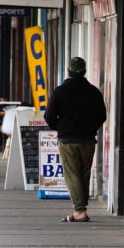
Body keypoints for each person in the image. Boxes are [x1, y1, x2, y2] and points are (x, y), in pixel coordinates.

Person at [45, 56, 106, 223]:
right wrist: (91, 127)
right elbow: (102, 116)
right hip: (88, 139)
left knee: (72, 175)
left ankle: (80, 211)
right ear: (85, 72)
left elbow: (49, 116)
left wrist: (61, 128)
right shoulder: (94, 92)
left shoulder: (60, 91)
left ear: (68, 71)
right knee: (83, 174)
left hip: (68, 140)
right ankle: (82, 207)